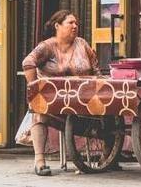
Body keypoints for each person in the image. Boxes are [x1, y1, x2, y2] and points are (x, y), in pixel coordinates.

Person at [22, 10, 100, 176]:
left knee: (109, 109)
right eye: (70, 23)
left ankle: (108, 157)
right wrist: (35, 88)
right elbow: (28, 63)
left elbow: (96, 68)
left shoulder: (82, 44)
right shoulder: (47, 46)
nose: (75, 26)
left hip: (83, 100)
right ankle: (39, 161)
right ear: (57, 26)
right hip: (55, 101)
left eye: (76, 23)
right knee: (38, 109)